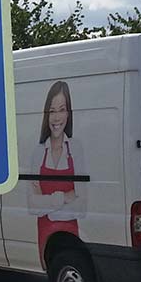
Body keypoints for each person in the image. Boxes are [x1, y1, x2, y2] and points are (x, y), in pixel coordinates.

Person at [27, 81, 87, 264]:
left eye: (62, 109)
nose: (56, 117)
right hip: (44, 232)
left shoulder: (76, 148)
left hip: (71, 234)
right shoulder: (38, 152)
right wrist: (65, 197)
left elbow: (82, 206)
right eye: (52, 111)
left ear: (68, 113)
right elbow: (32, 205)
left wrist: (47, 204)